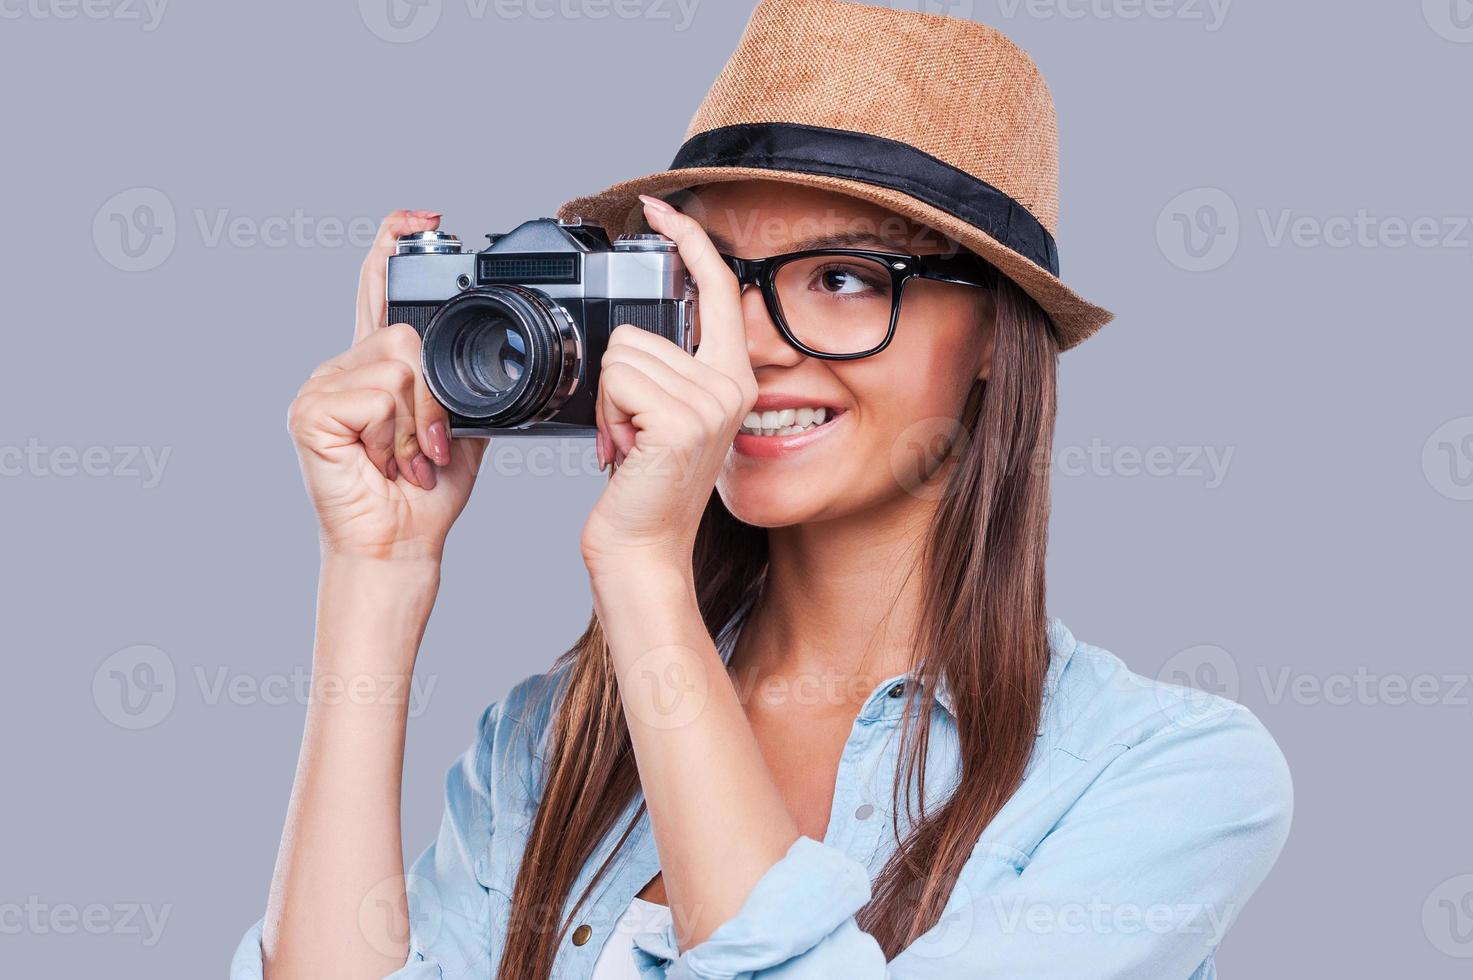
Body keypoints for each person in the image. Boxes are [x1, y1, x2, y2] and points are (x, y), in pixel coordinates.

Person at [232, 1, 1292, 977]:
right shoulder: (553, 740)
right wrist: (377, 570)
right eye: (709, 280)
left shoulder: (1164, 774)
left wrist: (647, 571)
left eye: (841, 279)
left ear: (992, 337)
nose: (743, 352)